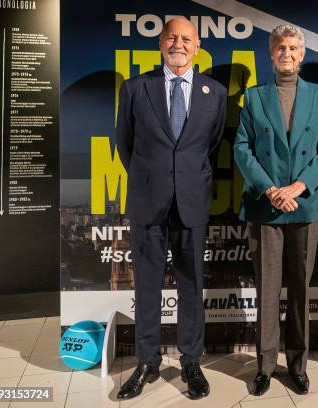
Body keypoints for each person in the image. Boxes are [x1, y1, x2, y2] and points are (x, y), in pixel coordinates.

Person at [115, 17, 226, 400]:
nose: (179, 43)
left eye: (186, 38)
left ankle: (190, 362)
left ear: (197, 46)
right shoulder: (134, 88)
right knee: (146, 285)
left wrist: (183, 180)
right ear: (161, 43)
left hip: (192, 204)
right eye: (172, 37)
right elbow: (124, 145)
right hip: (148, 203)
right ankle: (146, 362)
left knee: (192, 284)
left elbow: (209, 146)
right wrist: (153, 179)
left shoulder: (216, 92)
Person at [234, 24, 318, 397]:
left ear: (302, 54)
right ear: (271, 53)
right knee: (266, 291)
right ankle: (264, 367)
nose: (287, 54)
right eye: (280, 47)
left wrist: (299, 186)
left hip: (306, 205)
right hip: (266, 207)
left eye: (293, 47)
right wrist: (272, 189)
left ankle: (298, 365)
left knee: (299, 291)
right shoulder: (254, 96)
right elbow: (242, 149)